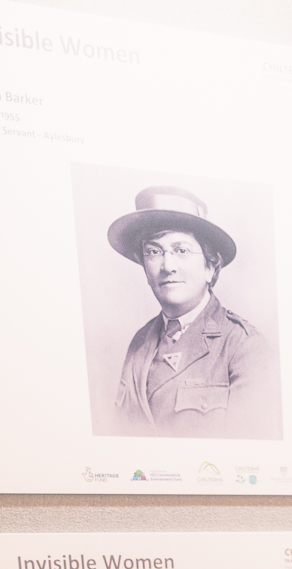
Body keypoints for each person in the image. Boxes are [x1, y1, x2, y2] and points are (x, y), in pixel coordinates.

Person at [107, 186, 282, 440]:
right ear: (145, 268)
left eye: (182, 250)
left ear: (211, 266)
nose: (168, 266)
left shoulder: (244, 346)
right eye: (154, 252)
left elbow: (250, 457)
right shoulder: (140, 342)